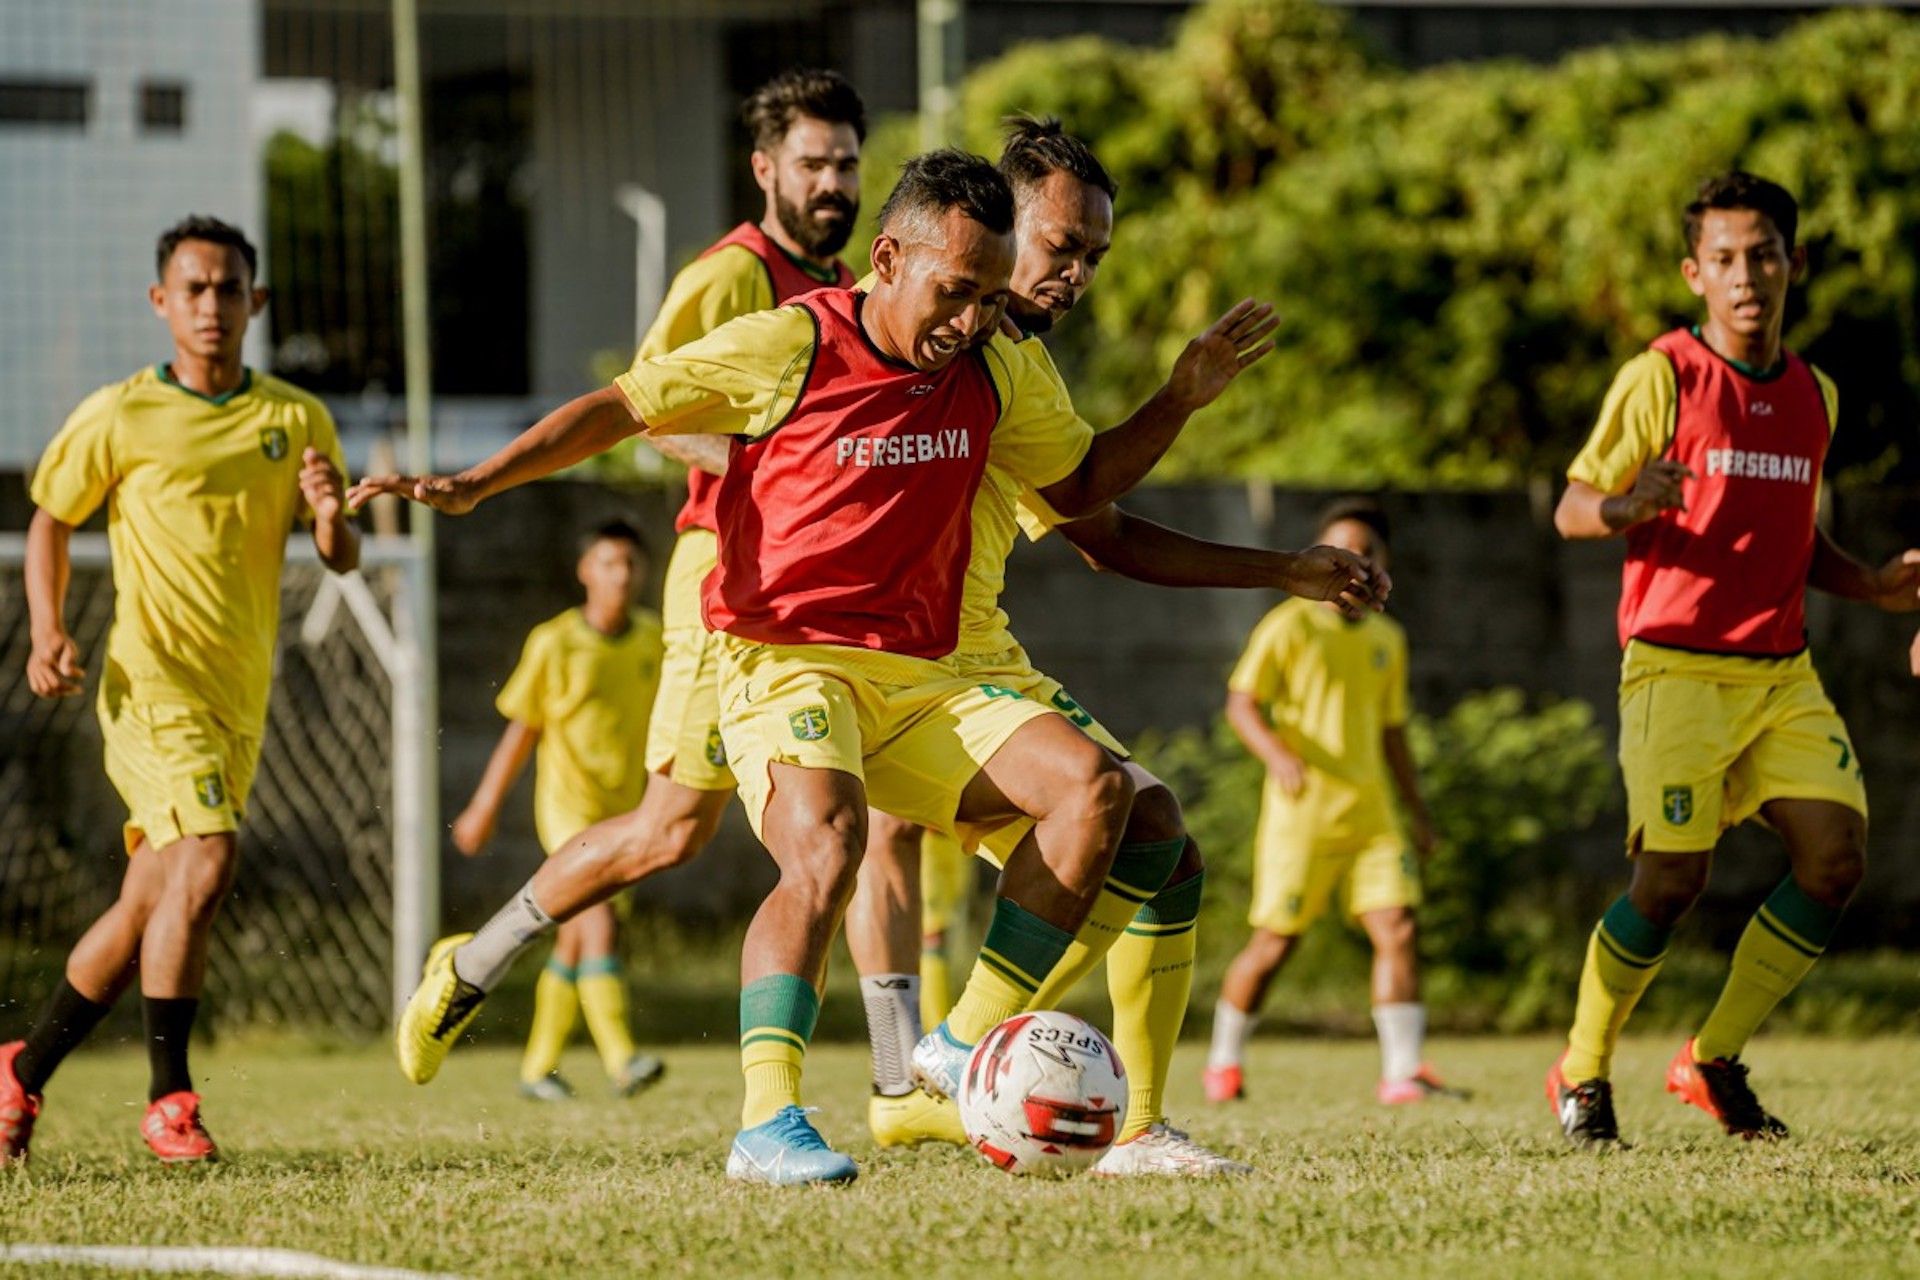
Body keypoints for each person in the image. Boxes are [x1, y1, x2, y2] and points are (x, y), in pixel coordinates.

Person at [352, 150, 1326, 1185]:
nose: (973, 318)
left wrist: (1179, 398)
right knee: (798, 840)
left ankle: (953, 1054)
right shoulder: (785, 336)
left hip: (927, 667)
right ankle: (760, 1118)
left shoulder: (998, 363)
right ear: (888, 257)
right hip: (777, 653)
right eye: (958, 291)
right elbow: (626, 405)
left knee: (1105, 798)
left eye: (994, 294)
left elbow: (1087, 489)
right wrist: (477, 483)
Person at [845, 119, 1387, 1175]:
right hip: (915, 677)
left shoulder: (1018, 367)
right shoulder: (952, 339)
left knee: (1165, 851)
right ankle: (948, 1065)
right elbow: (1098, 499)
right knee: (1099, 806)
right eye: (1063, 246)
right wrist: (1178, 398)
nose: (1080, 272)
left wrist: (1283, 568)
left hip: (978, 664)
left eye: (1096, 254)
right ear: (998, 222)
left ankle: (1080, 1112)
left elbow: (1105, 534)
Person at [381, 67, 866, 1078]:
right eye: (814, 163)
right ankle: (472, 962)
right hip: (722, 571)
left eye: (848, 164)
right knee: (667, 832)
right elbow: (652, 412)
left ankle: (907, 1073)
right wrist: (777, 463)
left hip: (814, 579)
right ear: (765, 168)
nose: (833, 183)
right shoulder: (731, 276)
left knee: (875, 812)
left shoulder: (845, 288)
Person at [1546, 172, 1920, 1147]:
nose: (1746, 275)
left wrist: (1874, 584)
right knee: (1672, 881)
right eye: (1724, 260)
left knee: (1835, 861)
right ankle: (1582, 1068)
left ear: (1793, 264)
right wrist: (1629, 505)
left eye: (1763, 254)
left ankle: (1709, 1058)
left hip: (1781, 673)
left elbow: (1796, 541)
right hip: (1674, 666)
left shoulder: (1816, 396)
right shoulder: (1661, 376)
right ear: (1695, 274)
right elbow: (1574, 505)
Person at [1, 216, 358, 1165]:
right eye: (192, 289)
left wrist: (330, 514)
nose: (211, 305)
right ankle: (171, 1099)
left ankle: (20, 1073)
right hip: (149, 684)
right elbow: (49, 516)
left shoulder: (293, 419)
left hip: (237, 696)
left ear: (258, 302)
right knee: (206, 860)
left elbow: (341, 554)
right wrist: (47, 627)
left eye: (228, 288)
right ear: (162, 303)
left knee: (153, 896)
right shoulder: (119, 413)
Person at [1203, 498, 1456, 1107]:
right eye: (1344, 551)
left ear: (1383, 563)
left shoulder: (1388, 640)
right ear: (1326, 559)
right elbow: (1242, 703)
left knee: (1397, 927)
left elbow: (1393, 734)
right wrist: (1278, 755)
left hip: (1371, 813)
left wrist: (1417, 813)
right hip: (1303, 813)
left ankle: (1401, 1072)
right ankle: (1223, 1061)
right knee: (1274, 943)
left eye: (1368, 553)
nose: (1357, 564)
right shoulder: (1288, 626)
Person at [449, 520, 667, 1101]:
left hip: (627, 813)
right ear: (585, 571)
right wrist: (483, 807)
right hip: (568, 811)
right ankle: (623, 1059)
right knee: (596, 924)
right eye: (609, 562)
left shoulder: (655, 640)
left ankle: (536, 1068)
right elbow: (522, 731)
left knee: (573, 941)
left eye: (630, 564)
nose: (621, 575)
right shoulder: (554, 642)